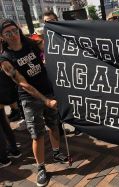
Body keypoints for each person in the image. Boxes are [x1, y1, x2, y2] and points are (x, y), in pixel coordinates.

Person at [0, 18, 67, 187]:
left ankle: (57, 152)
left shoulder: (30, 43)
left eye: (15, 31)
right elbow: (23, 84)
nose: (13, 35)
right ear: (2, 37)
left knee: (53, 125)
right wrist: (46, 101)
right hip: (30, 99)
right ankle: (41, 167)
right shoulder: (5, 60)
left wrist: (55, 30)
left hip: (49, 91)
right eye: (8, 33)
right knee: (37, 134)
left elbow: (48, 48)